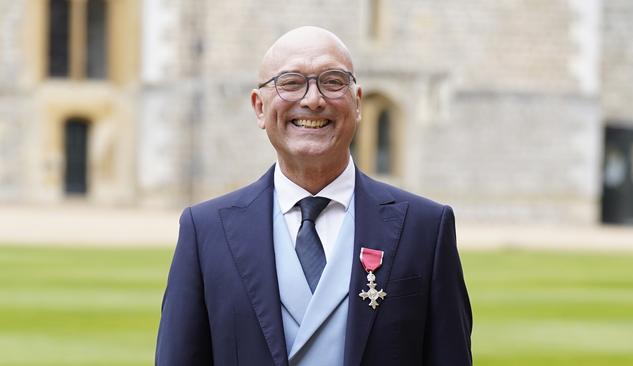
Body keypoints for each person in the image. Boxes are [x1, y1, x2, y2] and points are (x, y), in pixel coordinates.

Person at [156, 26, 472, 366]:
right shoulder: (205, 232)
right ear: (259, 107)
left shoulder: (425, 228)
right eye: (290, 83)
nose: (313, 99)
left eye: (333, 81)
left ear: (358, 102)